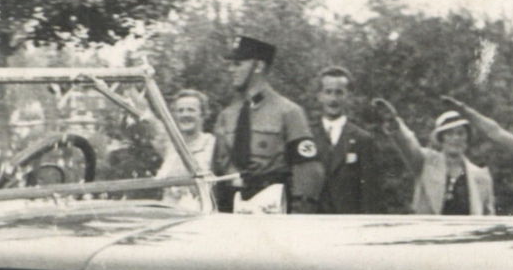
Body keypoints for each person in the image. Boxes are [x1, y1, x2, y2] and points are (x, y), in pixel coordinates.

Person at [209, 36, 323, 213]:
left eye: (238, 64)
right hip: (231, 209)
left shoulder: (288, 112)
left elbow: (308, 171)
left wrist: (299, 214)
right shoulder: (227, 115)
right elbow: (217, 170)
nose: (231, 69)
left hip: (271, 209)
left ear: (259, 66)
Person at [374, 99, 496, 216]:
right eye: (449, 133)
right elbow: (408, 145)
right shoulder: (426, 162)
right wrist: (394, 123)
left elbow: (488, 217)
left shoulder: (481, 176)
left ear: (467, 138)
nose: (456, 138)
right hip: (429, 229)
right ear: (441, 138)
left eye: (460, 133)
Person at [312, 66, 388, 214]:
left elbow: (371, 195)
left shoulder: (363, 140)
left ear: (349, 97)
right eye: (328, 92)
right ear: (319, 96)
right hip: (313, 221)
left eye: (339, 92)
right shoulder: (307, 136)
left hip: (349, 221)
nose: (333, 99)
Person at [156, 89, 215, 206]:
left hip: (200, 212)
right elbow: (146, 116)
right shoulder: (170, 146)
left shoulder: (212, 144)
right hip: (169, 211)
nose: (185, 115)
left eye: (191, 110)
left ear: (203, 114)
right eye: (180, 111)